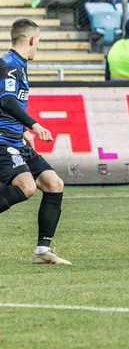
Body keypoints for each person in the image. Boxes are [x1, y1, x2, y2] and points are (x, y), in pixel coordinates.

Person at [0, 19, 70, 265]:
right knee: (27, 187)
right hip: (2, 141)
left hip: (15, 139)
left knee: (53, 183)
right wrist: (33, 125)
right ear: (31, 40)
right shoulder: (9, 65)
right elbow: (6, 100)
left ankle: (42, 251)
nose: (37, 47)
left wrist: (22, 131)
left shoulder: (18, 65)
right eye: (38, 43)